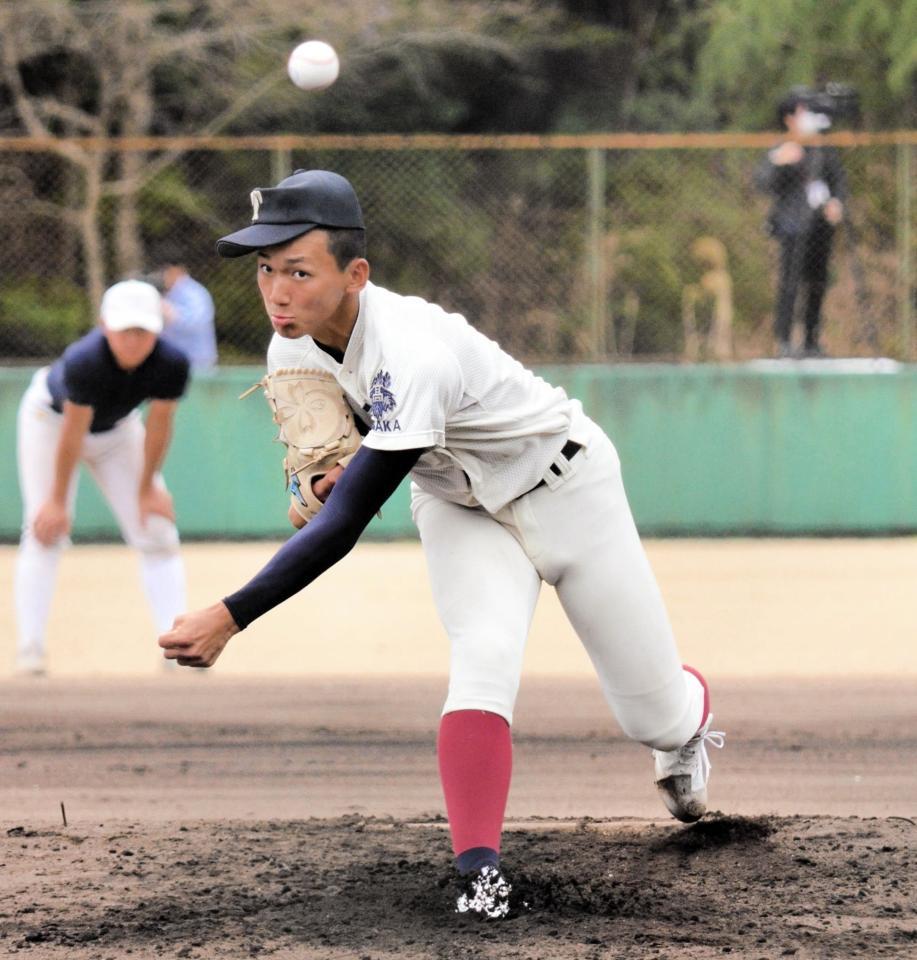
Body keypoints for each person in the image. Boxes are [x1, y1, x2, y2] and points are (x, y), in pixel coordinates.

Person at [158, 170, 725, 918]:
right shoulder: (289, 351)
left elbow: (348, 521)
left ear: (354, 275)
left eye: (299, 270)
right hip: (459, 505)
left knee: (649, 716)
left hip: (566, 488)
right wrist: (320, 481)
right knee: (482, 662)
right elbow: (333, 481)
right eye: (266, 269)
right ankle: (480, 877)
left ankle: (683, 722)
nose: (276, 290)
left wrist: (230, 615)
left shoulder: (410, 347)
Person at [14, 280, 190, 676]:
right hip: (50, 422)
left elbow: (160, 425)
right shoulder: (85, 360)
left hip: (118, 430)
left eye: (142, 330)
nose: (132, 340)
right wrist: (57, 501)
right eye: (124, 329)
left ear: (157, 330)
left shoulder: (171, 362)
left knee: (157, 528)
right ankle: (31, 649)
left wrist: (147, 488)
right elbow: (73, 434)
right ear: (104, 325)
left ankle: (178, 645)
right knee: (44, 528)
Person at [756, 89, 847, 358]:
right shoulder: (781, 148)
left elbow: (838, 181)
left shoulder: (822, 148)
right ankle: (784, 340)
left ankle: (811, 340)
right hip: (792, 226)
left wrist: (837, 203)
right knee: (790, 283)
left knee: (817, 283)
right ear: (789, 118)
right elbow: (763, 183)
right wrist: (780, 162)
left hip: (820, 227)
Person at [156, 256, 218, 372]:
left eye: (165, 272)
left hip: (197, 362)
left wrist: (172, 313)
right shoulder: (171, 294)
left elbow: (197, 321)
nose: (163, 278)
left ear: (174, 271)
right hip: (176, 361)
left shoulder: (195, 292)